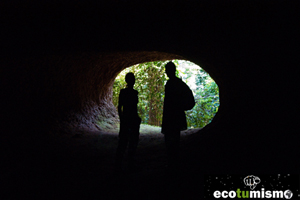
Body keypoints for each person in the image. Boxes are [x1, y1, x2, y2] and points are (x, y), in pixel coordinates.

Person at [161, 61, 189, 171]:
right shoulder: (180, 83)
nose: (166, 73)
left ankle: (171, 163)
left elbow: (168, 103)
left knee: (169, 141)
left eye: (167, 70)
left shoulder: (170, 84)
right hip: (177, 116)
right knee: (175, 140)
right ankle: (174, 163)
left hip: (170, 117)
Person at [115, 72, 141, 172]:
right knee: (131, 142)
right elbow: (132, 107)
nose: (133, 81)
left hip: (127, 119)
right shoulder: (134, 93)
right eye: (132, 79)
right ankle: (129, 163)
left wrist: (122, 118)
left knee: (124, 142)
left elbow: (119, 107)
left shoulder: (124, 92)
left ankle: (119, 164)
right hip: (131, 119)